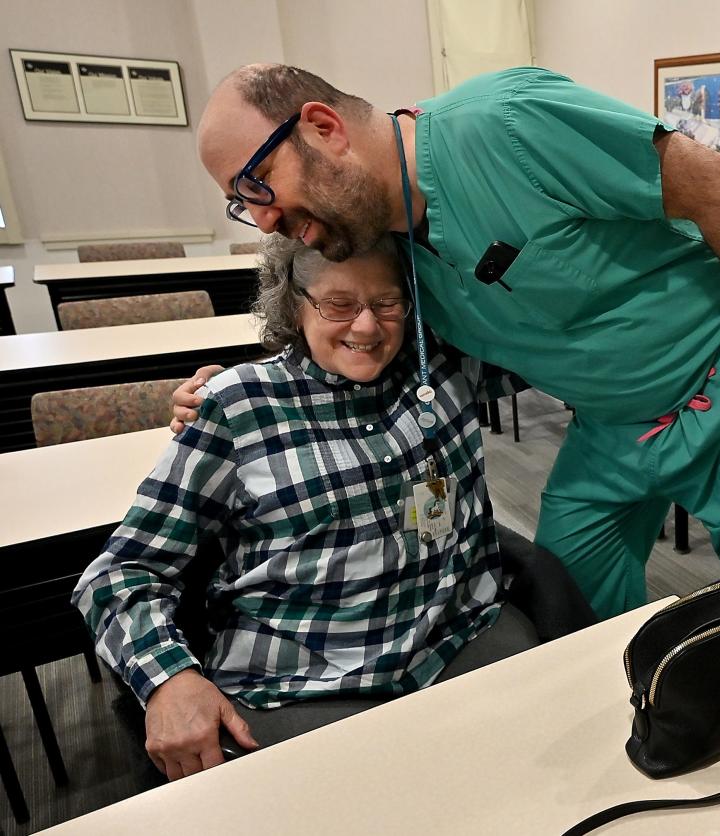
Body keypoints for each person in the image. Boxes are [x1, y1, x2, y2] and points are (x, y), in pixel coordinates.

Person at [194, 63, 720, 721]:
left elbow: (718, 189)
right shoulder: (385, 245)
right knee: (565, 589)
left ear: (323, 126)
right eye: (242, 203)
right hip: (610, 419)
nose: (265, 218)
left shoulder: (507, 123)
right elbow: (353, 335)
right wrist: (242, 383)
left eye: (258, 183)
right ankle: (643, 730)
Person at [73, 235, 554, 781]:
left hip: (452, 642)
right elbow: (119, 573)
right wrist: (168, 679)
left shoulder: (444, 369)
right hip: (301, 682)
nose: (367, 326)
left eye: (387, 302)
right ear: (293, 302)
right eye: (338, 305)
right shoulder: (239, 407)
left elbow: (553, 330)